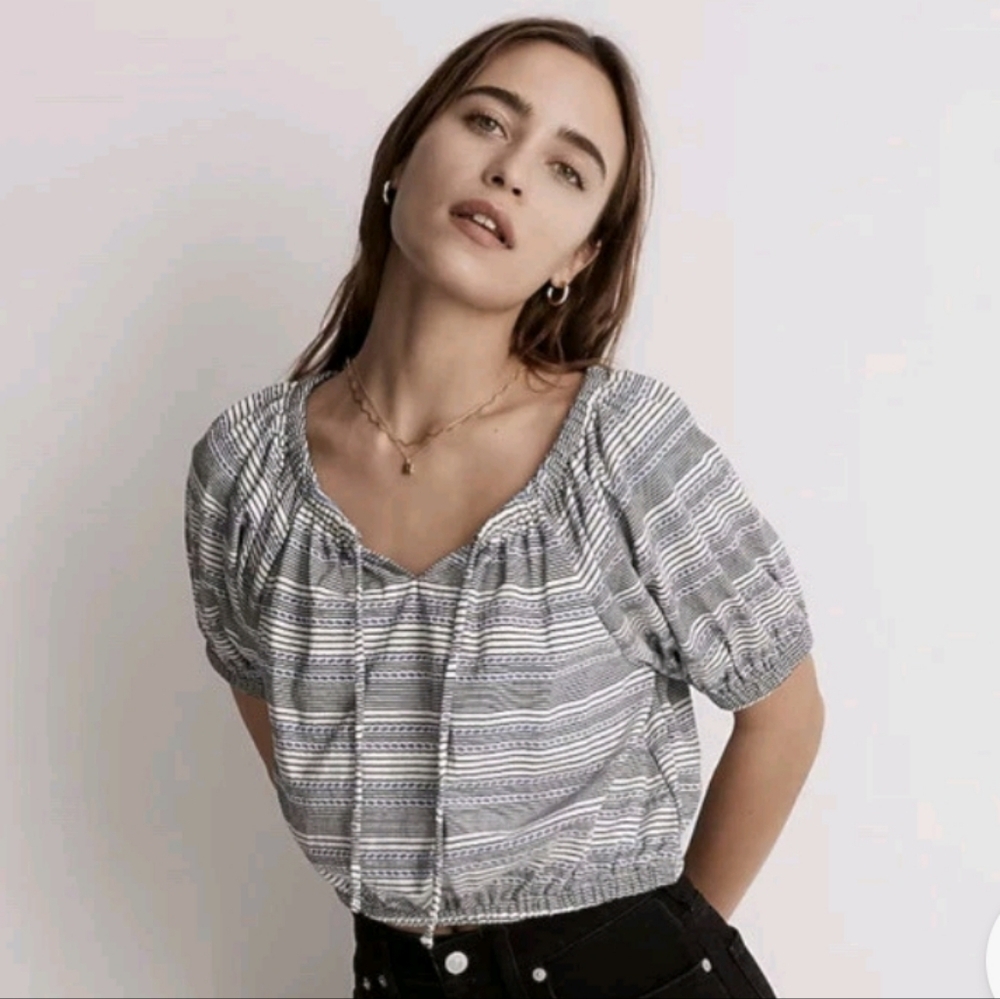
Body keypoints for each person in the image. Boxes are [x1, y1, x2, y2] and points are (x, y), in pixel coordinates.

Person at [183, 16, 824, 999]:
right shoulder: (245, 472)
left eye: (566, 169)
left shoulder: (622, 447)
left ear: (578, 256)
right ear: (405, 155)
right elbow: (275, 706)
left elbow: (783, 713)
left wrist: (670, 952)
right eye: (487, 121)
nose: (511, 171)